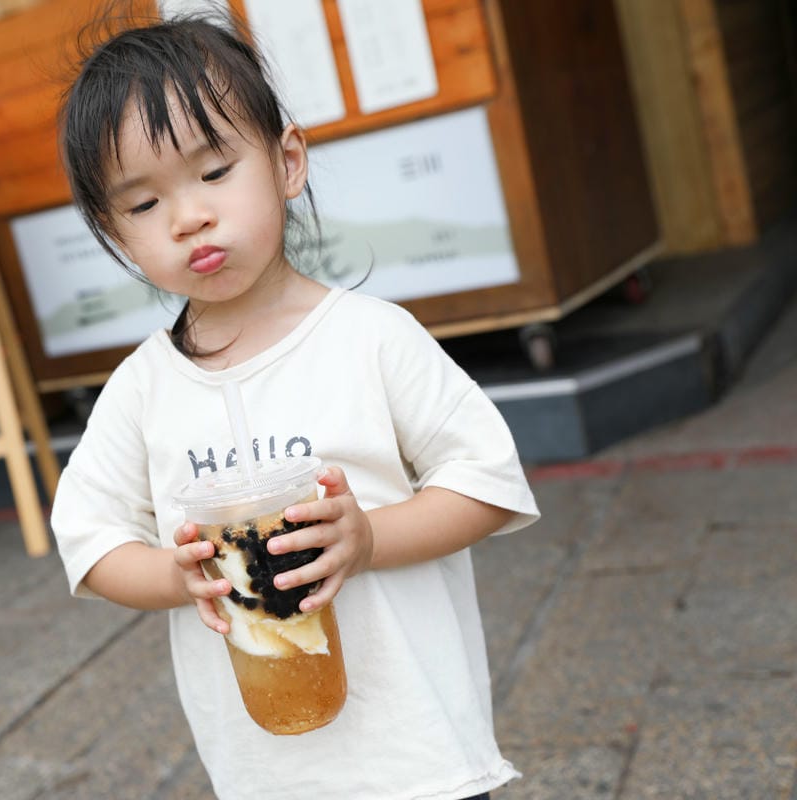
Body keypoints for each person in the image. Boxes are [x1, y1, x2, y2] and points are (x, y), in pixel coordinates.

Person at [50, 12, 540, 799]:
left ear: (286, 161)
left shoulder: (370, 339)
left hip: (415, 751)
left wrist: (370, 537)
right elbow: (88, 538)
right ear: (113, 233)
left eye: (214, 173)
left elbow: (487, 479)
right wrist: (178, 579)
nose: (188, 217)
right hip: (266, 766)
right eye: (142, 206)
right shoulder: (143, 390)